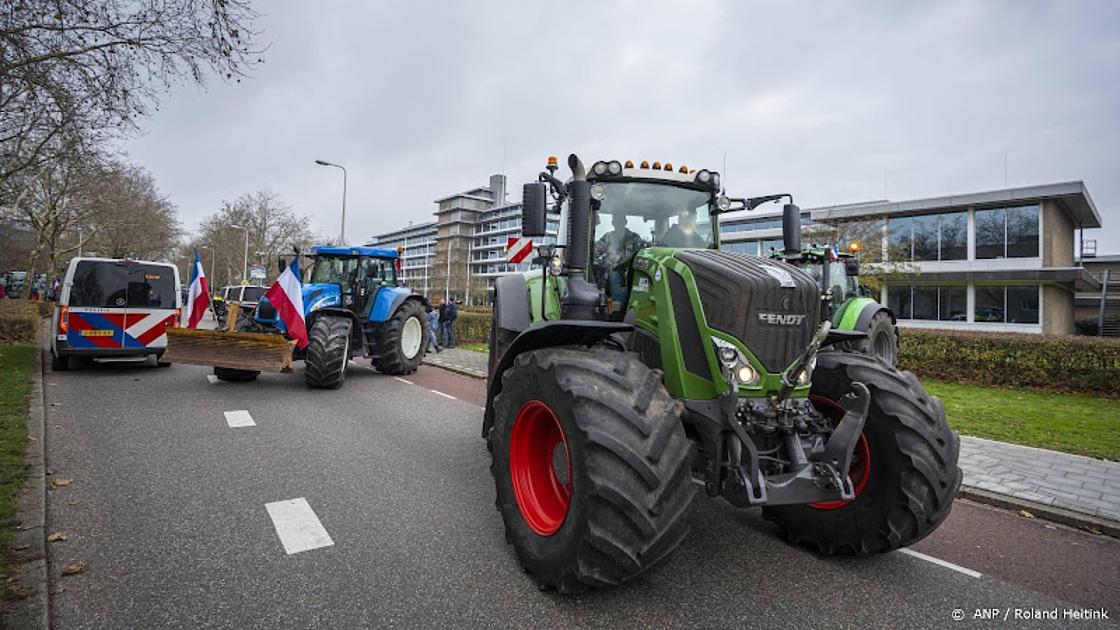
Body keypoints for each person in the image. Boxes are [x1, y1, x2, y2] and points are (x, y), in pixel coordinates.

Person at [593, 212, 645, 305]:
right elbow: (594, 252)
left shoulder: (634, 238)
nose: (618, 224)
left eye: (620, 221)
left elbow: (642, 255)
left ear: (625, 222)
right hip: (608, 277)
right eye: (616, 221)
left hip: (629, 277)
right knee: (613, 277)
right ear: (613, 223)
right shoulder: (608, 237)